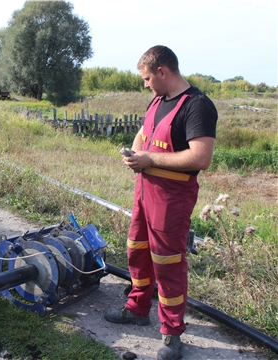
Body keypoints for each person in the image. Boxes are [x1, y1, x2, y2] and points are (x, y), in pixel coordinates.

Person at [104, 45, 218, 360]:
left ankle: (171, 333)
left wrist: (148, 158)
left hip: (172, 196)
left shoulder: (197, 106)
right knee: (136, 250)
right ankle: (138, 307)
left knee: (168, 262)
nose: (145, 84)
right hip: (145, 189)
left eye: (147, 78)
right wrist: (133, 152)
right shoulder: (158, 100)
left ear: (163, 72)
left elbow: (201, 157)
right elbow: (144, 132)